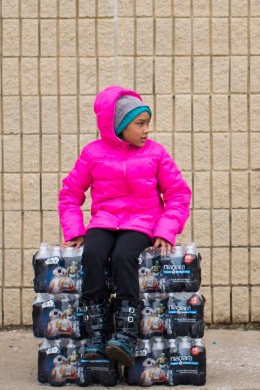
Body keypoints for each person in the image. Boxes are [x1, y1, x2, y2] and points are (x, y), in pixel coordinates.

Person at [58, 85, 192, 365]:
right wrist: (75, 230)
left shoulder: (156, 153)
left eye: (147, 124)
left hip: (142, 222)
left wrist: (165, 229)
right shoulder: (93, 153)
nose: (146, 131)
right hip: (105, 220)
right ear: (119, 126)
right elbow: (70, 193)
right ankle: (97, 333)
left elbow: (178, 194)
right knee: (93, 254)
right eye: (139, 124)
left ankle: (126, 334)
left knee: (123, 256)